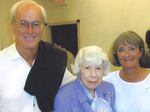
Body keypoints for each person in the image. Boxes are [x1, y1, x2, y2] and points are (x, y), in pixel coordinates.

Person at [0, 0, 75, 112]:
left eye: (36, 24)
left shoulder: (52, 59)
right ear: (13, 25)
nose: (30, 31)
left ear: (42, 28)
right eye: (23, 23)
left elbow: (77, 86)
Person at [54, 46, 116, 112]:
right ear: (78, 69)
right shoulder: (64, 97)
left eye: (98, 68)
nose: (93, 75)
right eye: (87, 68)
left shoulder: (109, 89)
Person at [104, 31, 150, 112]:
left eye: (132, 49)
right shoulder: (107, 81)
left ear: (141, 52)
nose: (127, 54)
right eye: (121, 50)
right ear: (116, 54)